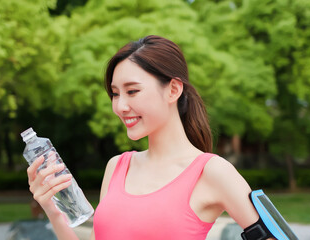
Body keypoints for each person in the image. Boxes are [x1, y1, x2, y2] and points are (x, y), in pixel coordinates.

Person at [27, 35, 265, 240]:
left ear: (173, 90)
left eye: (132, 91)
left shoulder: (212, 172)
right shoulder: (117, 166)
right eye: (115, 93)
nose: (120, 106)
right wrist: (51, 206)